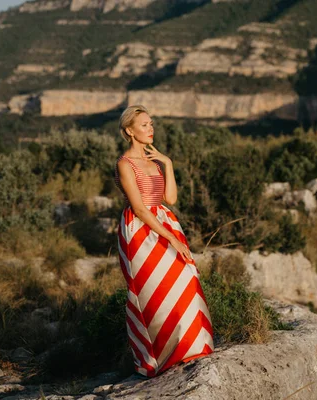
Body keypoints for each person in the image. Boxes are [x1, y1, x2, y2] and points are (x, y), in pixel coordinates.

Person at [113, 105, 214, 377]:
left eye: (151, 123)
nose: (150, 129)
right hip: (141, 231)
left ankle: (190, 347)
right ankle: (158, 357)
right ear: (129, 131)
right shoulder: (124, 164)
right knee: (153, 292)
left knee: (184, 280)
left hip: (165, 221)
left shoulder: (156, 162)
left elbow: (170, 199)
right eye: (144, 125)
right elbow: (140, 209)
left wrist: (167, 163)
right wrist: (172, 239)